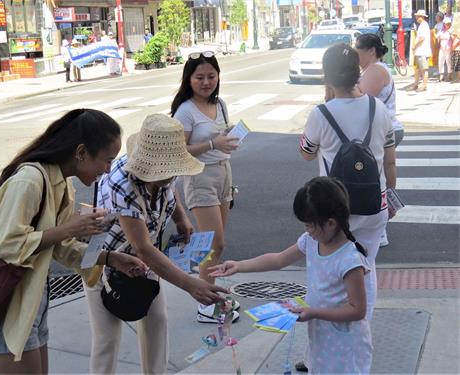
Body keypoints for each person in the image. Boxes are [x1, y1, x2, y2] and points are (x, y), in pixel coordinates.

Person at [0, 109, 146, 374]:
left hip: (32, 299)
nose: (108, 169)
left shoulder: (60, 183)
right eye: (106, 160)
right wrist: (69, 228)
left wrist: (110, 258)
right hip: (7, 303)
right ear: (81, 153)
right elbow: (9, 246)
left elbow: (59, 248)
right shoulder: (29, 180)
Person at [84, 113, 229, 374]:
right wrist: (190, 285)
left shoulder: (165, 171)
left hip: (142, 261)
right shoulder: (122, 183)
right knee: (107, 338)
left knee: (157, 323)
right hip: (105, 260)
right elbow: (143, 248)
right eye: (166, 172)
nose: (171, 176)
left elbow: (168, 189)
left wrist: (181, 216)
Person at [209, 177, 373, 374]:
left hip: (346, 345)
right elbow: (278, 259)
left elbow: (357, 310)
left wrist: (314, 312)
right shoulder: (312, 242)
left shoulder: (350, 260)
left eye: (310, 225)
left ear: (330, 223)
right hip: (322, 338)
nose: (307, 230)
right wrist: (239, 266)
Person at [302, 43, 396, 322]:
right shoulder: (378, 108)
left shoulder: (321, 114)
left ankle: (327, 344)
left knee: (331, 273)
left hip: (336, 210)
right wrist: (390, 196)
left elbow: (306, 153)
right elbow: (390, 161)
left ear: (327, 77)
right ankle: (362, 327)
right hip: (374, 205)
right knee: (366, 266)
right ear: (358, 73)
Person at [171, 51, 241, 324]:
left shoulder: (220, 104)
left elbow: (220, 136)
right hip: (199, 176)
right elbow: (179, 150)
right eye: (199, 77)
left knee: (215, 245)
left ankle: (212, 295)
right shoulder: (185, 111)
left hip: (224, 172)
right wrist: (213, 144)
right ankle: (206, 304)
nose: (206, 82)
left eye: (211, 76)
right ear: (188, 79)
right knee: (213, 243)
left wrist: (229, 136)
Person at [355, 34, 403, 248]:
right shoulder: (374, 69)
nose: (355, 53)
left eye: (358, 48)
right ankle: (378, 226)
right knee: (376, 176)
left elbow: (360, 98)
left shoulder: (375, 70)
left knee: (375, 178)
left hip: (384, 130)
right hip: (384, 129)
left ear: (371, 50)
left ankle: (379, 227)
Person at [411, 9, 432, 91]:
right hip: (420, 51)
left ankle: (424, 85)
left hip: (422, 51)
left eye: (417, 16)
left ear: (421, 17)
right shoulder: (422, 25)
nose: (416, 17)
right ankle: (416, 84)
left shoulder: (424, 25)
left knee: (423, 69)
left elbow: (422, 38)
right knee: (418, 69)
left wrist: (415, 46)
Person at [437, 17, 453, 82]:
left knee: (448, 61)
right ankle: (441, 75)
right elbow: (437, 37)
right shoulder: (441, 30)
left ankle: (449, 74)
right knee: (440, 61)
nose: (446, 25)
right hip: (442, 48)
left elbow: (452, 38)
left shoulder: (451, 30)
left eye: (448, 24)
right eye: (445, 24)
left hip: (448, 48)